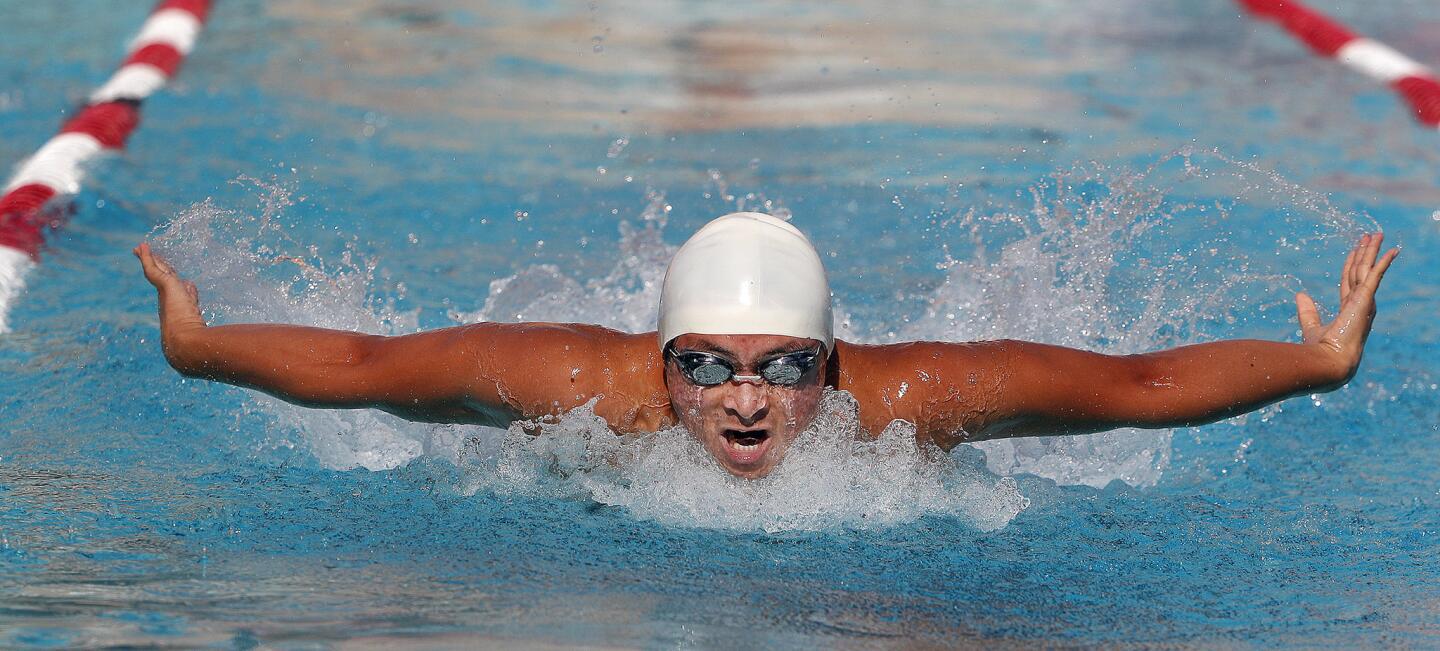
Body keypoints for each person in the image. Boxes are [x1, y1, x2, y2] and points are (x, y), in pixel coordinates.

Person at [134, 212, 1398, 479]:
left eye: (785, 367)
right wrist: (200, 350)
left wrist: (1318, 363)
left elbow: (1135, 388)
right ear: (660, 358)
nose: (746, 399)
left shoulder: (904, 403)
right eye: (709, 365)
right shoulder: (584, 389)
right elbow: (364, 369)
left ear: (830, 366)